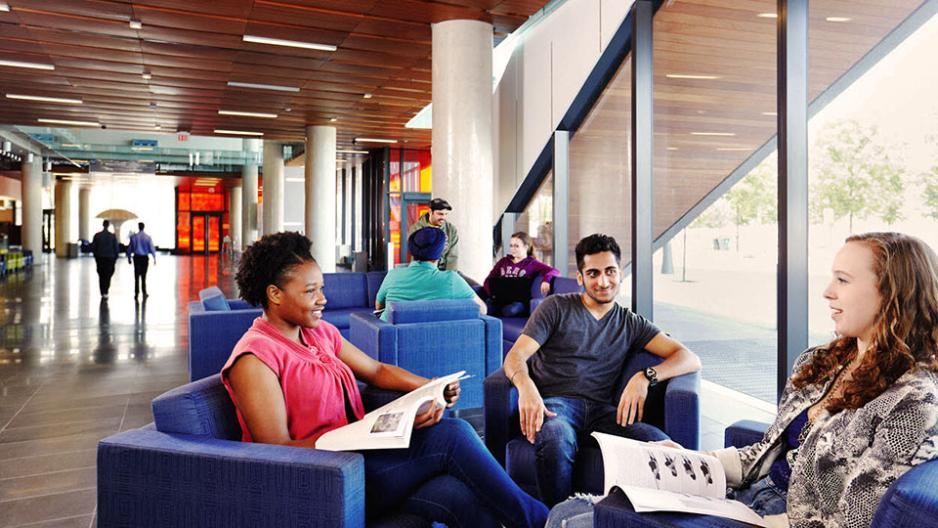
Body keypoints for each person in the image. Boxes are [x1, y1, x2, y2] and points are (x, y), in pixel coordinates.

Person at [547, 232, 938, 528]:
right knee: (571, 511)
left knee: (572, 520)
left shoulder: (913, 401)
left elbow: (852, 521)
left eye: (843, 280)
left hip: (780, 518)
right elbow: (766, 453)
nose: (827, 291)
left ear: (892, 293)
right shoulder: (822, 361)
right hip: (745, 492)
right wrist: (692, 461)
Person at [222, 232, 548, 527]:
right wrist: (363, 436)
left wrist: (428, 387)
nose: (323, 299)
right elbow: (276, 451)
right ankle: (544, 522)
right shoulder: (255, 357)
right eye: (311, 292)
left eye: (322, 288)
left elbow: (376, 370)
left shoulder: (318, 333)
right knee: (453, 436)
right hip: (323, 478)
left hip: (360, 459)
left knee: (457, 497)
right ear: (275, 294)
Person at [502, 233, 702, 507]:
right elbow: (515, 357)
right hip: (556, 407)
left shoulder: (630, 322)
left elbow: (688, 358)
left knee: (661, 444)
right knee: (556, 438)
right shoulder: (555, 308)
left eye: (610, 272)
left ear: (620, 273)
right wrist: (526, 388)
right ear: (581, 277)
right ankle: (557, 520)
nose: (603, 281)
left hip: (604, 414)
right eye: (593, 273)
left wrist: (645, 377)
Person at [375, 226, 485, 321]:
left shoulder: (393, 275)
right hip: (434, 339)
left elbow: (379, 305)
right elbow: (482, 310)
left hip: (390, 337)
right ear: (440, 252)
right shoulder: (451, 280)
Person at [483, 231, 560, 316]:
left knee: (511, 310)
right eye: (511, 246)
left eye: (516, 246)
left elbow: (554, 271)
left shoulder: (532, 263)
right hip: (499, 299)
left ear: (526, 247)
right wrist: (490, 293)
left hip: (519, 301)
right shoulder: (503, 261)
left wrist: (546, 280)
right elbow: (489, 279)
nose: (513, 249)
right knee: (485, 308)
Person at [408, 197, 458, 271]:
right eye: (440, 214)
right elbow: (415, 256)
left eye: (446, 214)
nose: (443, 217)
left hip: (444, 270)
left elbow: (453, 257)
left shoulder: (451, 230)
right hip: (423, 270)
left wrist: (449, 277)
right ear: (430, 211)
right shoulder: (417, 229)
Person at [89, 219, 119, 299]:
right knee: (108, 275)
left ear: (103, 225)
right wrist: (115, 258)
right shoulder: (112, 236)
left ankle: (102, 291)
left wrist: (96, 256)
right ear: (108, 225)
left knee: (101, 275)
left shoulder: (97, 235)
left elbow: (93, 247)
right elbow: (116, 248)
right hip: (110, 258)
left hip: (100, 258)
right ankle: (106, 290)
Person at [126, 222, 156, 300]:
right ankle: (144, 292)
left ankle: (136, 293)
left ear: (138, 227)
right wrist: (154, 257)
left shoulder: (134, 237)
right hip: (144, 258)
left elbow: (130, 248)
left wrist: (129, 258)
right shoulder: (148, 237)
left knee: (136, 276)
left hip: (136, 258)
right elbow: (151, 248)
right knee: (144, 276)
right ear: (143, 227)